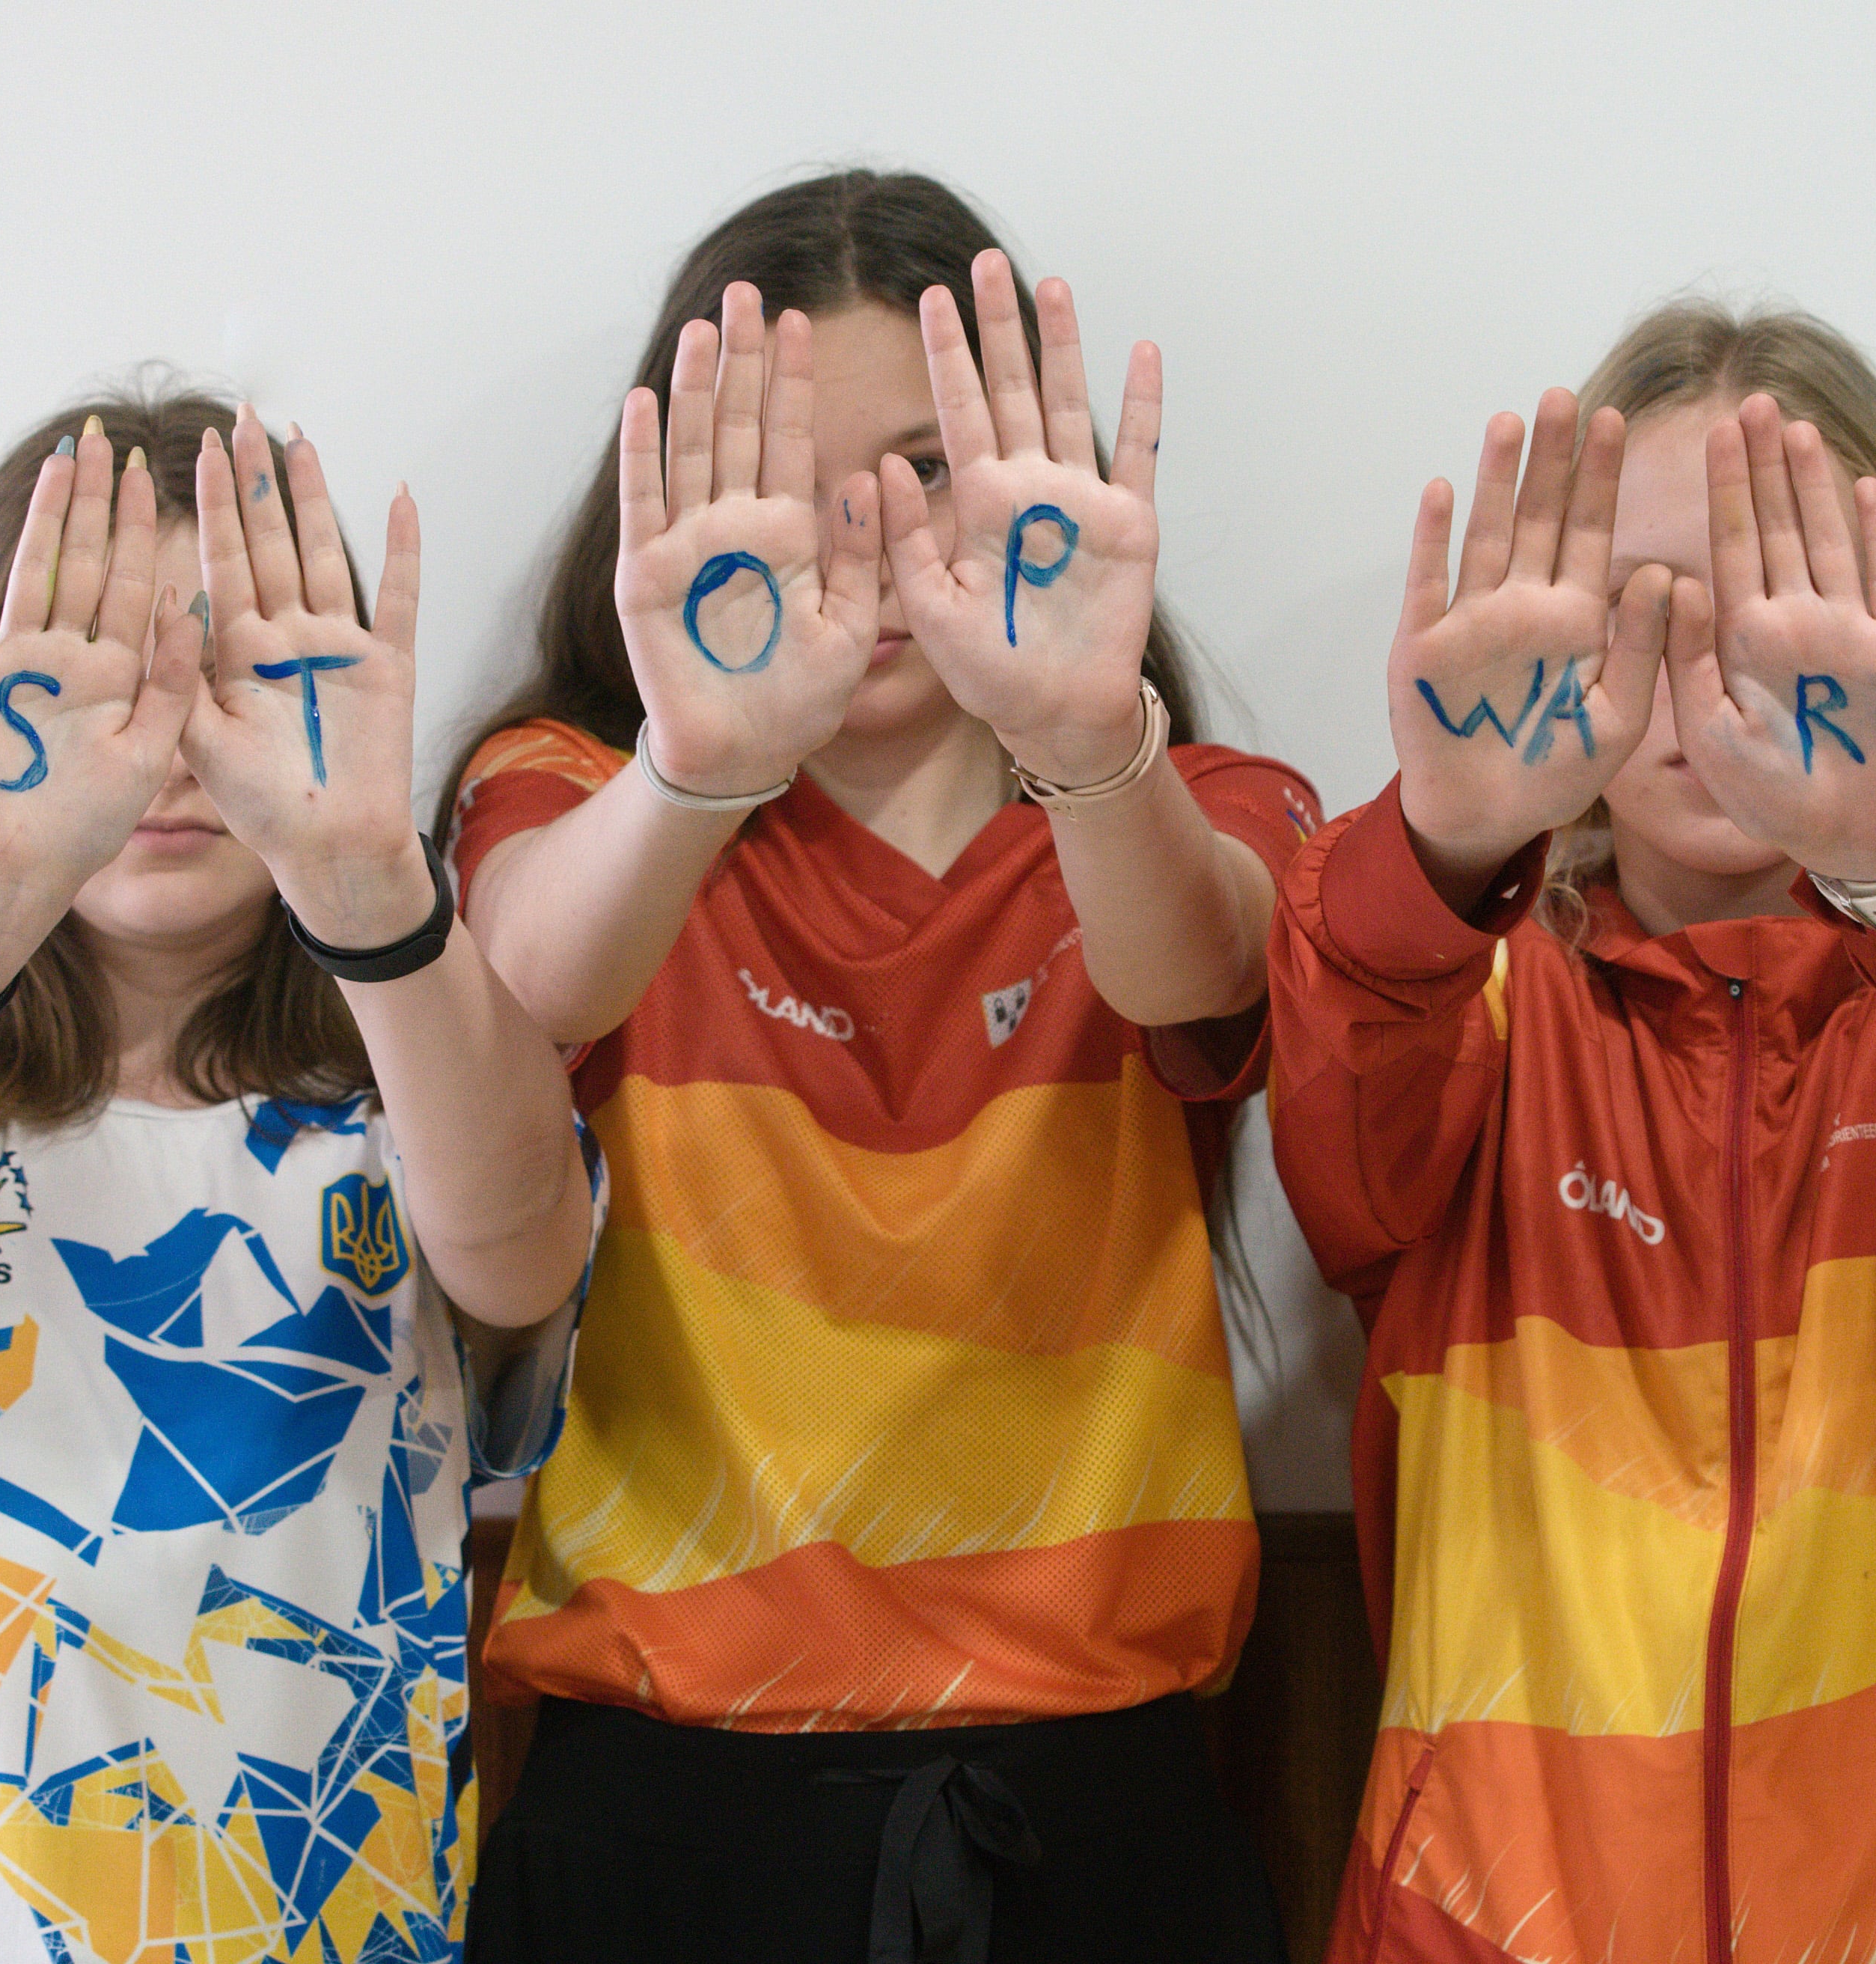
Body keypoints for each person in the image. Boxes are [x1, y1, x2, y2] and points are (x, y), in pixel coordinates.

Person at [441, 171, 1311, 1963]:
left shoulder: (1177, 798)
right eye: (797, 479)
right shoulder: (573, 789)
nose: (879, 537)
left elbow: (1206, 970)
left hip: (1095, 1809)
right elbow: (520, 985)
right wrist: (695, 766)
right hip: (660, 1812)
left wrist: (1082, 733)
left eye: (933, 468)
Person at [1267, 302, 1876, 1963]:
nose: (1702, 677)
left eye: (1778, 608)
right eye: (1644, 608)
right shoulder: (1448, 995)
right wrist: (1442, 839)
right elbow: (1339, 1133)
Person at [0, 393, 602, 1963]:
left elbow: (524, 1251)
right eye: (98, 669)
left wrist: (372, 889)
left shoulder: (429, 1089)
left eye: (234, 674)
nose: (167, 742)